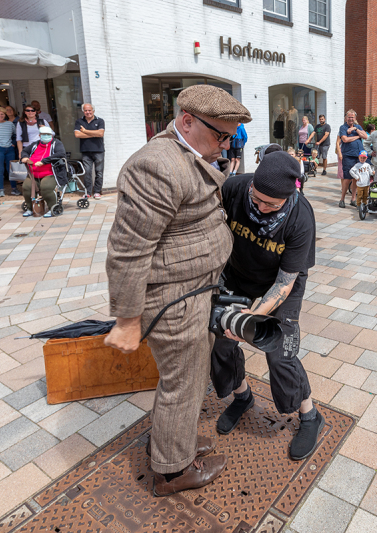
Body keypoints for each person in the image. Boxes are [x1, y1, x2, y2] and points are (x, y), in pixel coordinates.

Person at [104, 85, 251, 497]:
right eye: (220, 135)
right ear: (187, 120)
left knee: (189, 378)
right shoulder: (156, 165)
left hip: (193, 291)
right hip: (173, 299)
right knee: (182, 384)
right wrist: (128, 320)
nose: (225, 146)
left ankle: (175, 444)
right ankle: (172, 471)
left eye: (231, 138)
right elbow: (129, 249)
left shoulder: (188, 152)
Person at [210, 150, 320, 460]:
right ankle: (242, 397)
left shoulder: (301, 218)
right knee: (221, 344)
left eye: (270, 205)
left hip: (281, 283)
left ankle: (309, 416)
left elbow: (285, 284)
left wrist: (252, 318)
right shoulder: (234, 187)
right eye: (256, 199)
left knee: (279, 352)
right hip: (238, 273)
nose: (260, 207)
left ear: (290, 195)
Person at [19, 126, 67, 218]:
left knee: (46, 187)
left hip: (50, 173)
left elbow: (61, 153)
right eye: (44, 135)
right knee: (26, 187)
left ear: (51, 135)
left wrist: (44, 161)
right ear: (39, 135)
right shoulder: (35, 144)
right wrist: (24, 157)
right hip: (33, 173)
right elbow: (24, 151)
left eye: (48, 134)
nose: (46, 136)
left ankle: (52, 207)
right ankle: (30, 208)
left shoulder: (56, 143)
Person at [74, 103, 105, 198]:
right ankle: (87, 192)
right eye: (86, 110)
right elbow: (77, 135)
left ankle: (97, 191)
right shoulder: (79, 121)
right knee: (87, 172)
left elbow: (100, 134)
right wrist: (93, 134)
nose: (88, 112)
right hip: (85, 151)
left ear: (93, 110)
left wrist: (85, 131)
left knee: (99, 172)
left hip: (98, 150)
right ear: (83, 111)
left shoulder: (100, 121)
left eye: (89, 110)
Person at [338, 110, 368, 208]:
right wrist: (357, 136)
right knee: (347, 178)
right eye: (349, 117)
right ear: (346, 117)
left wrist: (356, 129)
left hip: (359, 156)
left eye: (352, 117)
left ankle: (353, 199)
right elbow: (345, 139)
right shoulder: (343, 127)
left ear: (355, 118)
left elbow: (366, 136)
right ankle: (342, 199)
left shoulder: (358, 127)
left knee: (356, 178)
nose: (351, 119)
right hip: (348, 156)